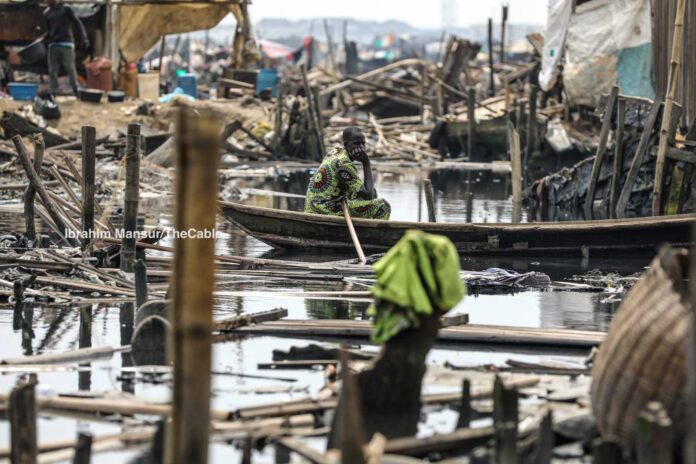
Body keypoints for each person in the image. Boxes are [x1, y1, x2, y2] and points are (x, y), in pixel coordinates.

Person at [304, 127, 391, 220]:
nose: (361, 147)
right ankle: (372, 233)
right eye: (356, 144)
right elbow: (369, 196)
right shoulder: (343, 164)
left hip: (313, 206)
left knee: (360, 196)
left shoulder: (336, 151)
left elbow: (371, 194)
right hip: (323, 209)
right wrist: (366, 163)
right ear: (346, 144)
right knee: (383, 205)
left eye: (363, 144)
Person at [43, 0, 89, 97]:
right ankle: (52, 92)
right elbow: (49, 30)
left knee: (70, 68)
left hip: (66, 44)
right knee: (52, 70)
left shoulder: (66, 9)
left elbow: (77, 23)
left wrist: (84, 38)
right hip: (53, 44)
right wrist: (45, 39)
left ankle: (76, 90)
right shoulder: (47, 13)